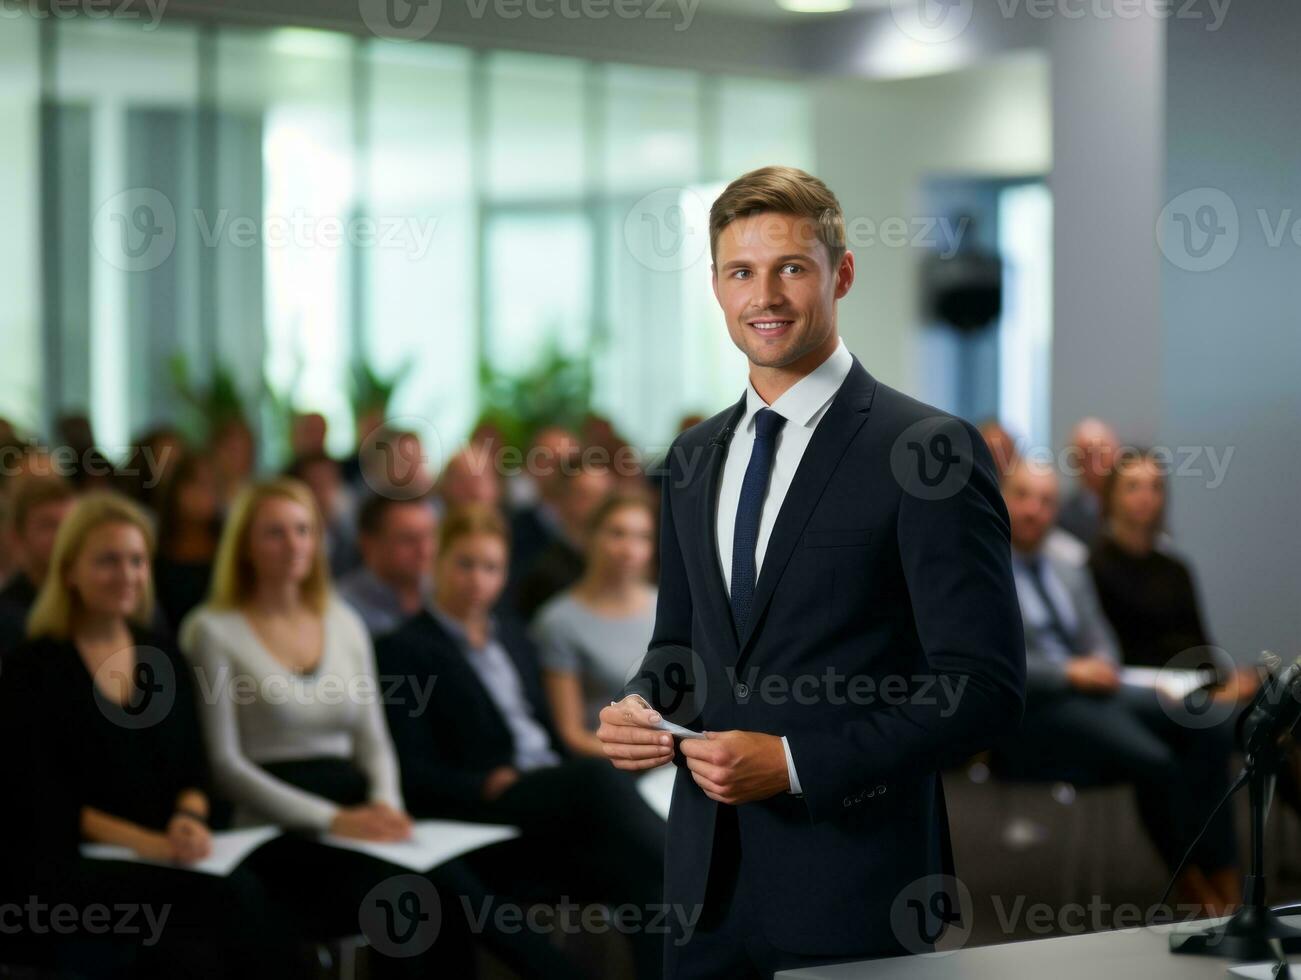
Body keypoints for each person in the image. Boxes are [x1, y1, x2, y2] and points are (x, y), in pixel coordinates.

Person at [597, 166, 1026, 977]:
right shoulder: (691, 459)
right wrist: (640, 703)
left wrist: (795, 763)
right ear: (717, 286)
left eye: (791, 267)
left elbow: (981, 689)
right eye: (740, 272)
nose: (765, 294)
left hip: (856, 882)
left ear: (842, 274)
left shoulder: (926, 451)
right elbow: (681, 646)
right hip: (703, 888)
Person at [180, 478, 572, 979]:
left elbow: (374, 740)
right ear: (245, 544)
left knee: (445, 889)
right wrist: (332, 820)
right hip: (271, 822)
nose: (294, 544)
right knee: (417, 894)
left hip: (354, 801)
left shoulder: (342, 621)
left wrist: (386, 802)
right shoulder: (212, 629)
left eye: (303, 530)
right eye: (274, 532)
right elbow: (225, 765)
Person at [0, 493, 303, 978]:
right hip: (72, 860)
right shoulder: (32, 667)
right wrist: (151, 845)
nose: (127, 575)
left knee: (260, 910)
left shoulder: (162, 653)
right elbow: (43, 800)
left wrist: (188, 817)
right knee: (194, 941)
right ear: (70, 570)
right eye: (108, 561)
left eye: (137, 560)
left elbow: (194, 764)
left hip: (167, 848)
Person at [376, 503, 666, 980]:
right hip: (489, 799)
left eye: (490, 567)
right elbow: (409, 768)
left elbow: (546, 728)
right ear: (437, 563)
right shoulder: (403, 648)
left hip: (545, 789)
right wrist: (483, 785)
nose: (477, 580)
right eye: (464, 564)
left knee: (644, 878)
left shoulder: (511, 635)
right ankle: (698, 866)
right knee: (599, 776)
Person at [998, 458, 1241, 913]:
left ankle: (1227, 879)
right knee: (1157, 759)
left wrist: (1101, 664)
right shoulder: (984, 569)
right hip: (1035, 706)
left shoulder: (1067, 564)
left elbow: (1101, 638)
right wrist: (1070, 672)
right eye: (1023, 496)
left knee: (1204, 720)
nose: (1034, 509)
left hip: (1096, 692)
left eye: (1046, 500)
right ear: (1002, 498)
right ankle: (1195, 891)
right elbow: (993, 664)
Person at [532, 492, 659, 756]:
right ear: (590, 537)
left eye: (642, 536)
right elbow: (571, 734)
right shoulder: (558, 621)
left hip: (674, 758)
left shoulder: (666, 606)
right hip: (610, 763)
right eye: (617, 533)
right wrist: (644, 755)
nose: (629, 549)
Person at [511, 462, 615, 622]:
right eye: (585, 496)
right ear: (562, 500)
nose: (597, 506)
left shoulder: (621, 563)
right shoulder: (542, 570)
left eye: (603, 497)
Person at [337, 494, 438, 638]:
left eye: (429, 536)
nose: (425, 550)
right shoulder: (343, 609)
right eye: (408, 539)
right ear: (368, 544)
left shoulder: (445, 595)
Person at [0, 474, 77, 657]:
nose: (63, 536)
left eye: (71, 525)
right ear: (16, 537)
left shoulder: (92, 601)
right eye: (48, 526)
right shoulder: (7, 615)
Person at [152, 453, 222, 633]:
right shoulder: (156, 547)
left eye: (212, 485)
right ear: (176, 489)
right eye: (196, 484)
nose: (205, 494)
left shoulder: (230, 545)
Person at [1058, 417, 1120, 546]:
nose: (1095, 462)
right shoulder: (1064, 515)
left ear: (1116, 453)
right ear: (1074, 462)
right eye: (1087, 455)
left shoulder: (1134, 503)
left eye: (1101, 452)